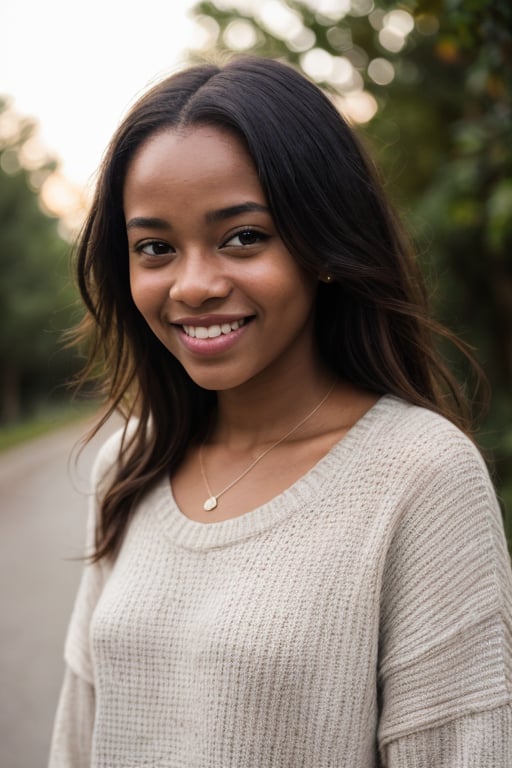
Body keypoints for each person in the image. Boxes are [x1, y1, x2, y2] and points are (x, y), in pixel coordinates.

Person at [49, 55, 512, 767]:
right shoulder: (130, 465)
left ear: (323, 245)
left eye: (243, 237)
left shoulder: (422, 477)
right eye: (156, 248)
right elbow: (78, 740)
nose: (193, 285)